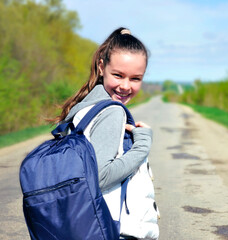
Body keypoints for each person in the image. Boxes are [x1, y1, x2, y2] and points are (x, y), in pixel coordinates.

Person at [53, 27, 155, 239]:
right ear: (101, 67)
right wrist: (142, 146)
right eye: (118, 75)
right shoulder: (112, 112)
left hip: (84, 223)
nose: (125, 86)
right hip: (109, 227)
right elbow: (100, 178)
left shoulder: (84, 106)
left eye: (135, 78)